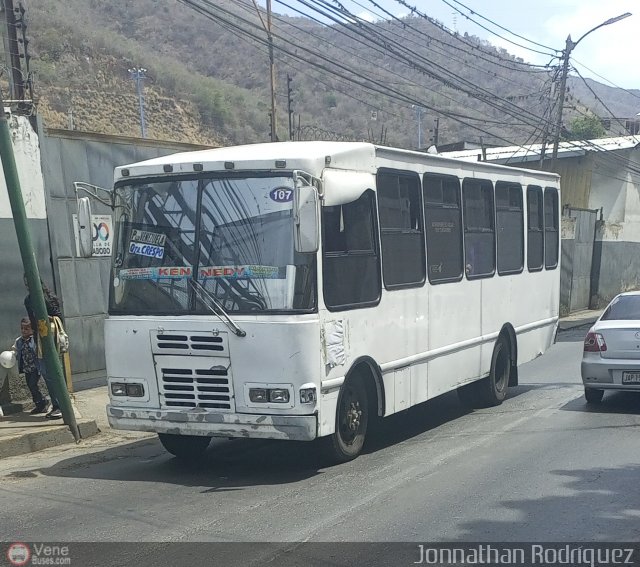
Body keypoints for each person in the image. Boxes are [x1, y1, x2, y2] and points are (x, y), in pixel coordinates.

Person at [24, 275, 64, 419]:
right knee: (46, 374)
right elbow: (33, 324)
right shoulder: (29, 300)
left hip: (52, 339)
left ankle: (60, 405)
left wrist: (49, 318)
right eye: (27, 284)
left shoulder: (48, 297)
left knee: (55, 374)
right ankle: (56, 404)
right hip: (39, 340)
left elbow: (59, 316)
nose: (29, 286)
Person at [12, 318, 49, 415]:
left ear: (32, 330)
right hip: (26, 368)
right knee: (31, 386)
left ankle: (41, 403)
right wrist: (12, 354)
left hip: (36, 367)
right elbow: (15, 350)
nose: (23, 331)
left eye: (26, 329)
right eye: (22, 328)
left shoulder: (35, 340)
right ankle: (40, 403)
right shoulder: (19, 341)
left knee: (33, 384)